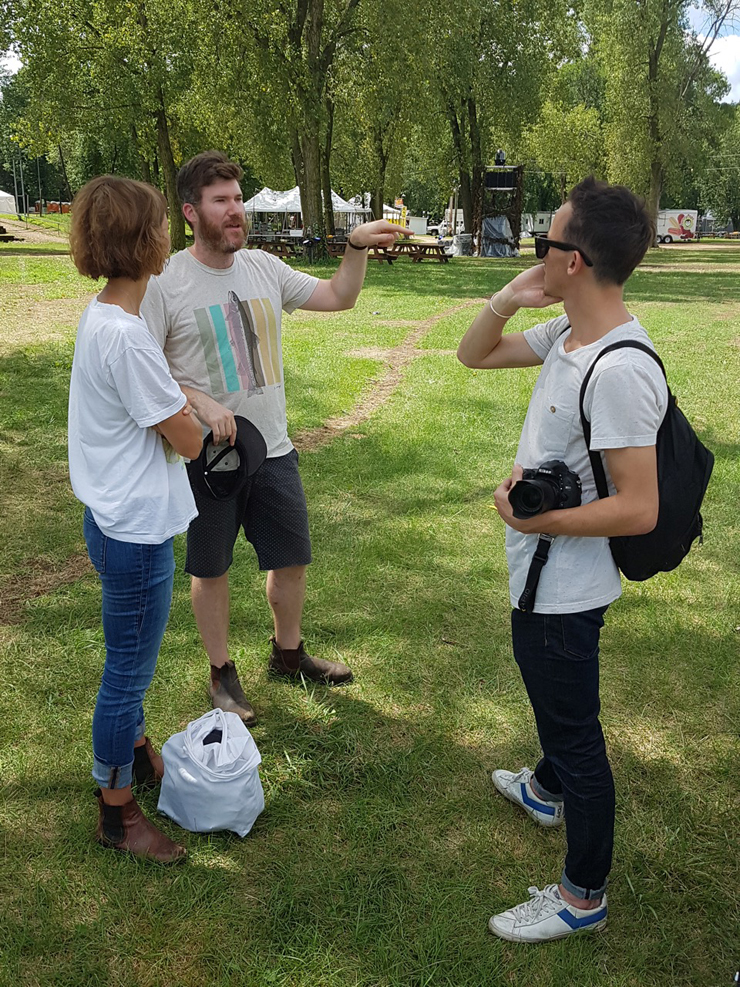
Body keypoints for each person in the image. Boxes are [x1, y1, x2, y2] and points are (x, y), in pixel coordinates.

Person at [457, 177, 667, 942]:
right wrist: (508, 297)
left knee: (576, 735)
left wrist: (536, 515)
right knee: (557, 704)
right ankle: (544, 791)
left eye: (543, 242)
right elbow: (473, 354)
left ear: (573, 261)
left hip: (565, 590)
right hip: (544, 573)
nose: (535, 252)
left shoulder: (618, 369)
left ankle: (583, 895)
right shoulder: (568, 335)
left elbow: (639, 507)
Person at [141, 151, 409, 725]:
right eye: (221, 201)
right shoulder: (165, 282)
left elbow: (340, 296)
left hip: (274, 449)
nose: (235, 210)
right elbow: (148, 369)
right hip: (208, 456)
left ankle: (289, 655)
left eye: (238, 198)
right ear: (190, 212)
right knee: (210, 568)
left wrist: (355, 247)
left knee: (290, 560)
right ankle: (221, 673)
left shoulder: (265, 267)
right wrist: (198, 399)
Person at [68, 176, 204, 862]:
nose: (169, 236)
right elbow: (188, 440)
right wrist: (192, 413)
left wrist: (173, 402)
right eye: (161, 225)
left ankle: (139, 749)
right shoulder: (127, 337)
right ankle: (116, 811)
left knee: (129, 661)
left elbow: (150, 410)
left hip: (110, 517)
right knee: (126, 672)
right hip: (136, 532)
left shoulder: (103, 318)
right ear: (143, 241)